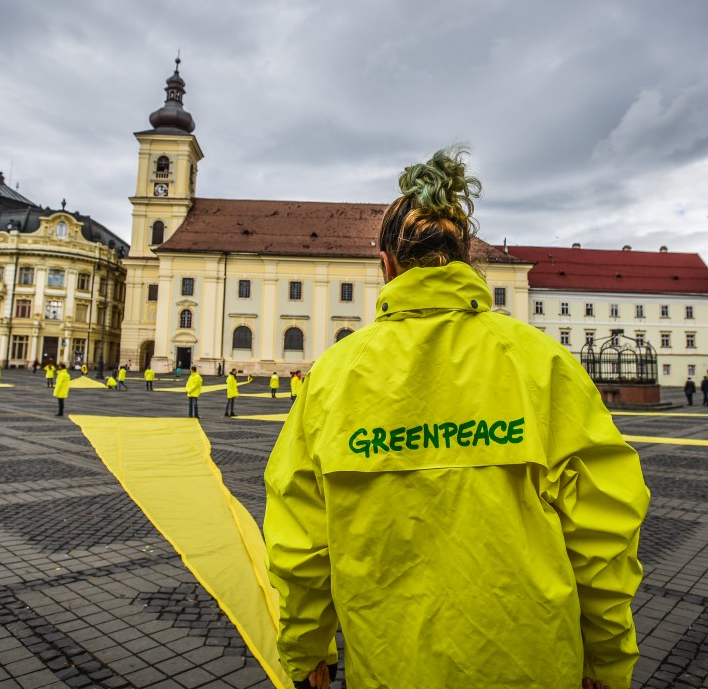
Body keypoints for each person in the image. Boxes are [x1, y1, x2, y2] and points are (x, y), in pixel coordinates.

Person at [264, 146, 648, 689]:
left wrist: (306, 651)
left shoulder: (330, 377)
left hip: (393, 665)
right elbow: (605, 534)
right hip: (534, 663)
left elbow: (300, 549)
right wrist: (608, 657)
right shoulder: (543, 364)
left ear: (386, 265)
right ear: (468, 260)